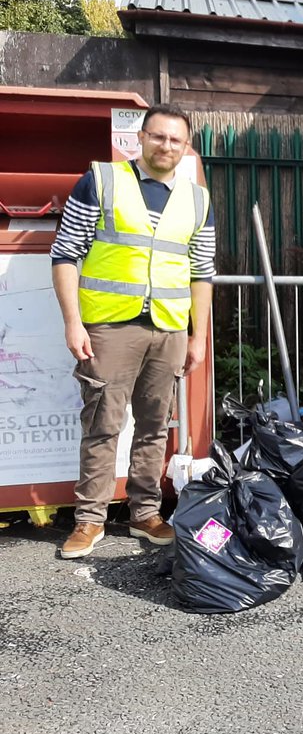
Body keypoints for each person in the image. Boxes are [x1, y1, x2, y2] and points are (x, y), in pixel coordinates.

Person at [50, 103, 215, 560]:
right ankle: (90, 520)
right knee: (103, 423)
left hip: (168, 329)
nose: (166, 146)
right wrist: (73, 322)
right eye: (158, 136)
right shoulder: (102, 181)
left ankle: (145, 514)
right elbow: (65, 253)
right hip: (109, 327)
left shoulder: (197, 198)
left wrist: (197, 336)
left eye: (175, 140)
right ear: (140, 138)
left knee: (154, 426)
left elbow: (203, 272)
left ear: (186, 148)